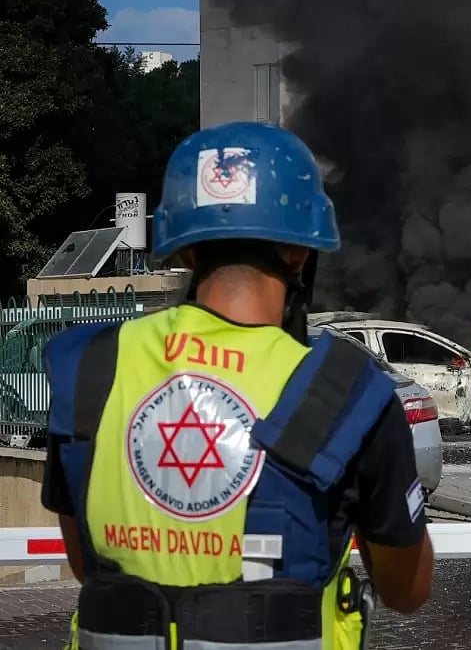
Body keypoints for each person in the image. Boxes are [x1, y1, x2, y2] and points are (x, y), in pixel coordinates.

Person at [39, 121, 434, 650]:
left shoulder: (91, 367)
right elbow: (406, 589)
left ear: (181, 250)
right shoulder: (346, 390)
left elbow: (88, 565)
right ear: (300, 252)